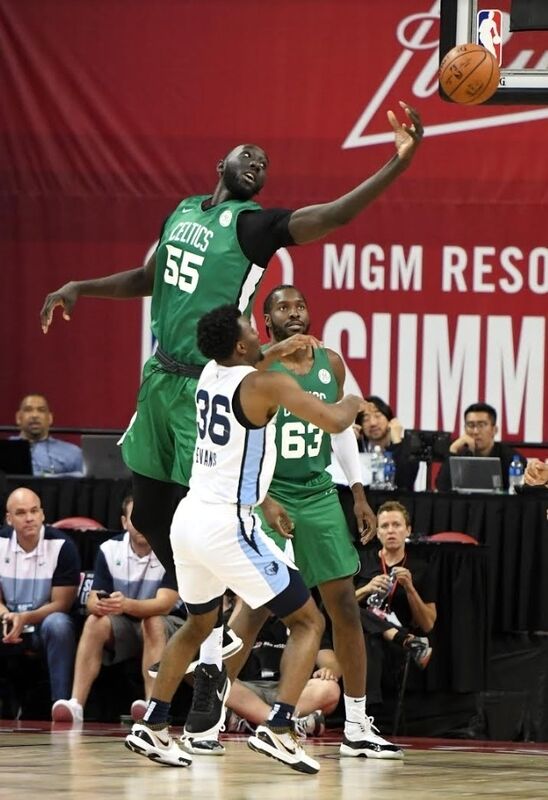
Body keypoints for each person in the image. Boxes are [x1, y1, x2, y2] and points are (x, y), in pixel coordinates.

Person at [40, 105, 424, 734]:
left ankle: (205, 694)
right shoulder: (183, 212)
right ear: (220, 165)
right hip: (157, 380)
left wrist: (396, 162)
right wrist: (82, 285)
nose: (259, 163)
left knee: (217, 533)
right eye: (249, 155)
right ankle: (191, 662)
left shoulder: (253, 227)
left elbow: (334, 215)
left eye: (266, 164)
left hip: (202, 385)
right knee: (159, 518)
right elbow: (149, 276)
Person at [124, 304, 365, 773]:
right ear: (240, 345)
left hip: (188, 519)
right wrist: (355, 400)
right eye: (251, 331)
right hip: (228, 524)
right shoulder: (265, 384)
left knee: (198, 624)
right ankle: (278, 727)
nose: (258, 333)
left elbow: (250, 362)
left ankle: (153, 723)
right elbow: (335, 422)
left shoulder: (213, 370)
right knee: (308, 622)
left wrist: (278, 348)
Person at [247, 284, 402, 759]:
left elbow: (341, 431)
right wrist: (263, 495)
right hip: (269, 497)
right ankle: (204, 718)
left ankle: (356, 723)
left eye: (300, 305)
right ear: (267, 320)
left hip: (317, 494)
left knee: (345, 609)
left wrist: (357, 493)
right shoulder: (255, 366)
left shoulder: (330, 363)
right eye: (282, 307)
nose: (294, 312)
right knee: (252, 610)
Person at [51, 496, 184, 724]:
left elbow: (165, 603)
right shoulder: (109, 549)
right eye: (136, 518)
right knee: (95, 621)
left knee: (152, 620)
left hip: (170, 626)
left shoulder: (171, 550)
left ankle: (153, 704)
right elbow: (93, 598)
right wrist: (100, 605)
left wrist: (126, 604)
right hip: (126, 623)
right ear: (124, 522)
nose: (142, 523)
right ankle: (76, 705)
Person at [0, 488, 80, 713]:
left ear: (43, 514)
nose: (29, 518)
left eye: (34, 511)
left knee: (59, 624)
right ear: (9, 518)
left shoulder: (63, 546)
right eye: (21, 513)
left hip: (42, 622)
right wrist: (7, 615)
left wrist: (24, 618)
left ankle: (61, 704)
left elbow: (62, 604)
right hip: (7, 620)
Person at [355, 501, 437, 703]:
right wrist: (367, 588)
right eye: (384, 526)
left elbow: (428, 624)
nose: (391, 531)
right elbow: (339, 604)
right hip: (358, 635)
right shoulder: (362, 561)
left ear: (408, 530)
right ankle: (407, 640)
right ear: (378, 532)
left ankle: (366, 713)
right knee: (356, 617)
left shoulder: (420, 568)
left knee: (369, 635)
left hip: (395, 646)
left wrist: (409, 588)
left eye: (397, 525)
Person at [226, 607, 341, 737]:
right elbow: (221, 661)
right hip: (247, 692)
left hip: (292, 694)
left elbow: (331, 663)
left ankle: (251, 720)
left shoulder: (305, 620)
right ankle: (287, 724)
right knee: (217, 682)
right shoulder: (238, 618)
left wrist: (328, 670)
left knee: (330, 689)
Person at [435, 402, 526, 492]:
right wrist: (453, 450)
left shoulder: (511, 459)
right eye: (470, 425)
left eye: (481, 425)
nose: (475, 432)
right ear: (464, 428)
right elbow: (442, 488)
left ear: (494, 430)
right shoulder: (460, 456)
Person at [354, 396, 418, 490]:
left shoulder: (406, 447)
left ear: (390, 419)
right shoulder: (356, 448)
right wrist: (346, 443)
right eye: (366, 419)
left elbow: (405, 483)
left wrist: (397, 443)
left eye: (377, 416)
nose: (373, 423)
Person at [12, 394, 84, 476]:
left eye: (41, 410)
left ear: (50, 418)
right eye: (28, 410)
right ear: (18, 418)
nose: (35, 415)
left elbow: (81, 485)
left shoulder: (72, 453)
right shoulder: (5, 450)